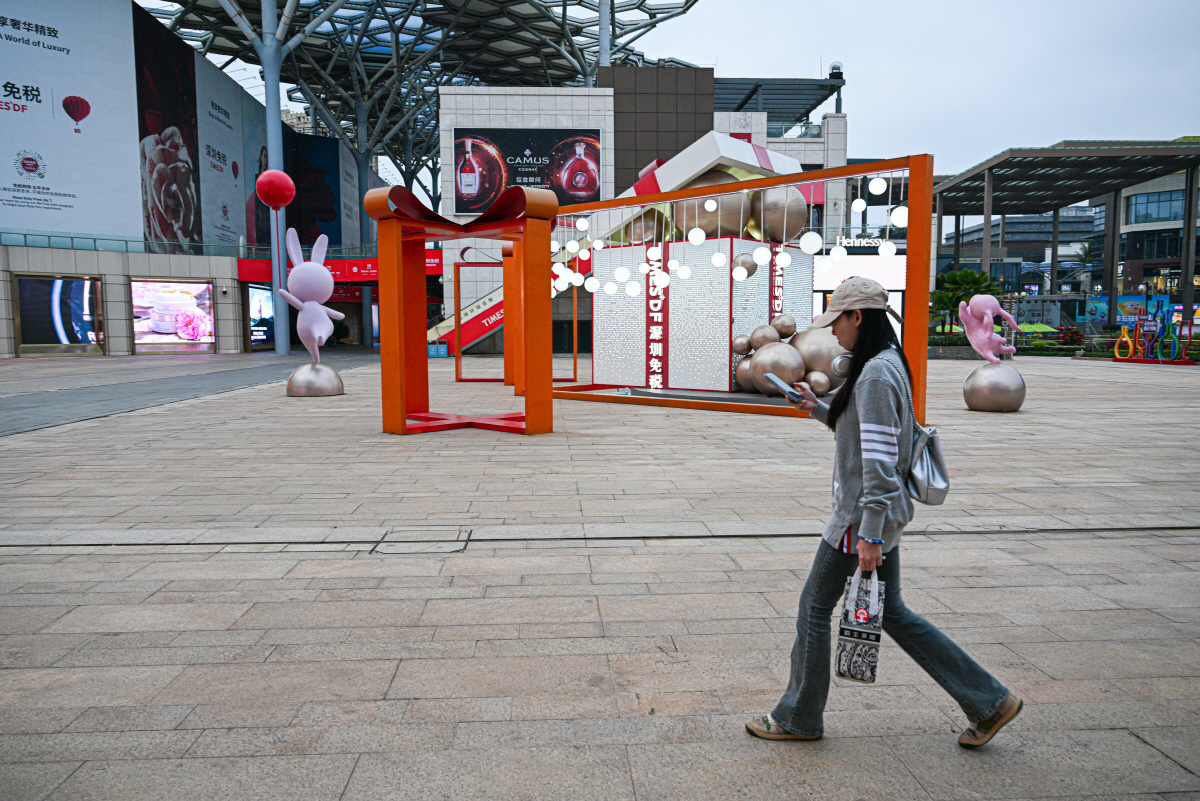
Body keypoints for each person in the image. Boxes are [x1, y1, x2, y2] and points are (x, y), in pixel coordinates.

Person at [745, 276, 1021, 749]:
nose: (834, 333)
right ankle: (988, 700)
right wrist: (818, 407)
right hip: (880, 514)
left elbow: (877, 460)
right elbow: (869, 430)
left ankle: (799, 716)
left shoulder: (873, 374)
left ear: (858, 317)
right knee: (892, 611)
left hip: (860, 519)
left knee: (814, 606)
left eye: (839, 323)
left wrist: (868, 533)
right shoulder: (887, 361)